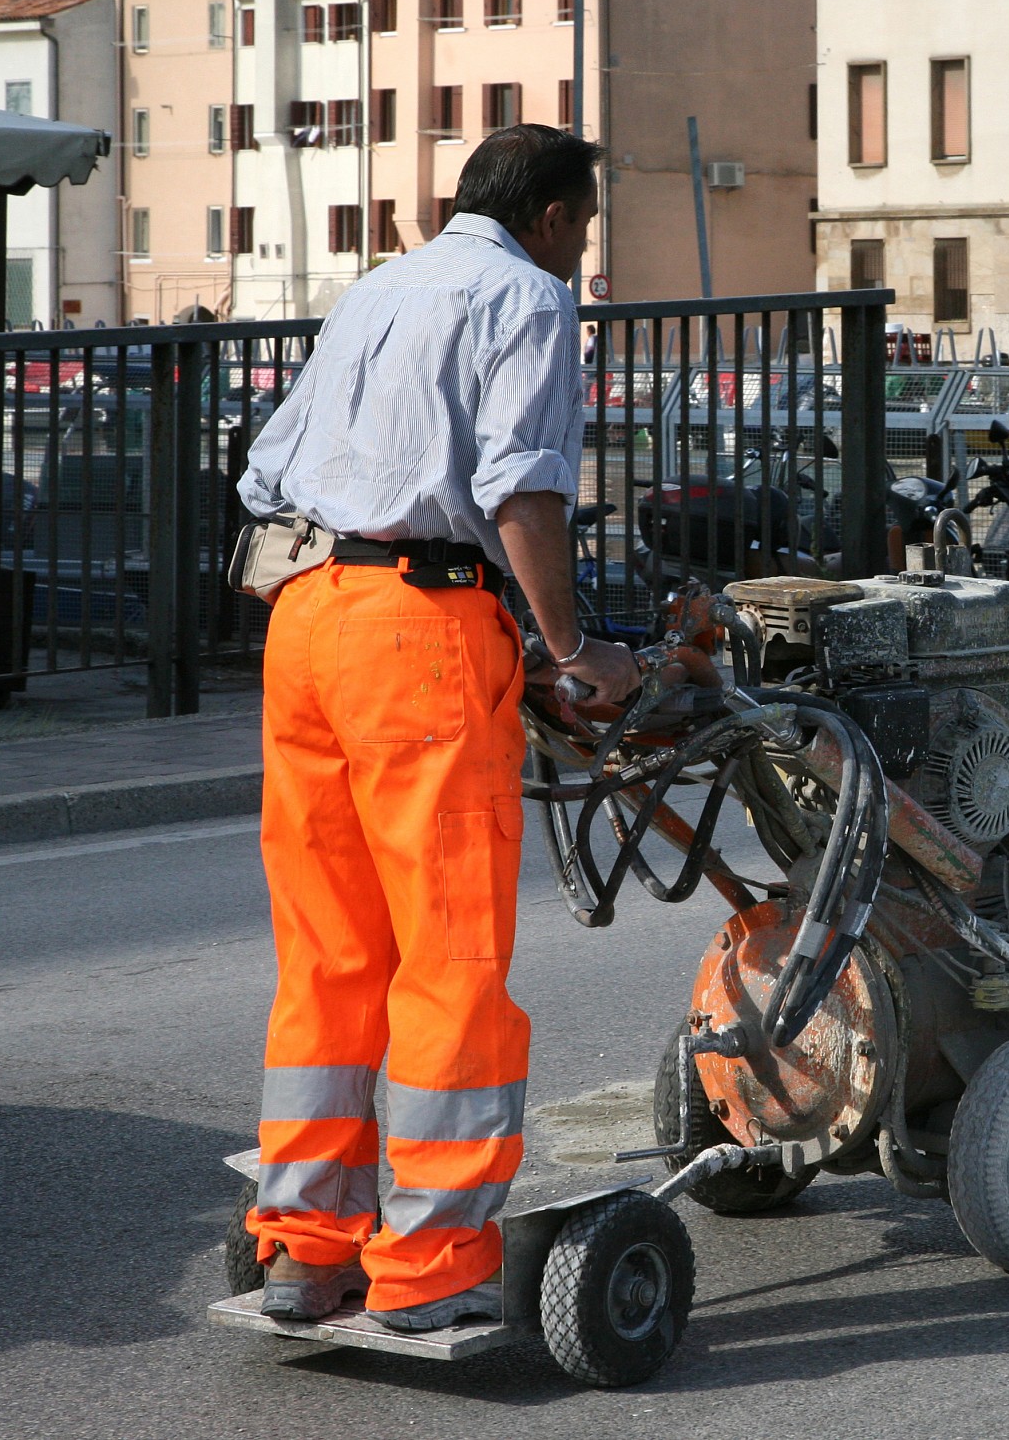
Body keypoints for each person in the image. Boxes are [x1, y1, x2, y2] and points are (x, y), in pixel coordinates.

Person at [234, 124, 638, 1331]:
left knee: (329, 949)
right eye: (587, 228)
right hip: (418, 631)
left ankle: (307, 1247)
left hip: (306, 620)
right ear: (558, 218)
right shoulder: (525, 298)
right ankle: (428, 1271)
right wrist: (572, 651)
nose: (581, 249)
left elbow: (266, 474)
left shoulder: (381, 286)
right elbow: (519, 488)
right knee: (449, 958)